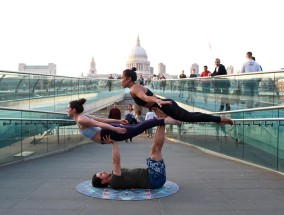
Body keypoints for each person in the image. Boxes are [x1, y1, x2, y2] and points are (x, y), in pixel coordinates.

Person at [120, 67, 233, 125]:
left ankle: (219, 118)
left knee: (190, 117)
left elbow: (146, 98)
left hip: (166, 105)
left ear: (129, 79)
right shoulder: (135, 88)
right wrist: (155, 108)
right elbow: (148, 100)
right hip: (163, 106)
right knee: (190, 117)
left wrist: (157, 101)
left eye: (122, 78)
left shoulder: (135, 88)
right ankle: (217, 119)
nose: (120, 81)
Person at [92, 110, 169, 189]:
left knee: (155, 148)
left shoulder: (113, 176)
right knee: (155, 150)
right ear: (103, 181)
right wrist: (113, 143)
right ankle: (162, 120)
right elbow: (116, 161)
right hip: (154, 178)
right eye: (101, 174)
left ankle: (161, 120)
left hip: (153, 176)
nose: (103, 172)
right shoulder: (114, 181)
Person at [67, 98, 181, 144]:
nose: (67, 110)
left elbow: (99, 123)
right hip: (108, 133)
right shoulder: (82, 117)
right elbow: (101, 120)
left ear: (73, 110)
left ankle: (166, 120)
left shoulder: (81, 119)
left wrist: (115, 127)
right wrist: (119, 122)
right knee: (139, 126)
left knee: (139, 128)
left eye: (68, 108)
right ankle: (164, 120)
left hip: (107, 134)